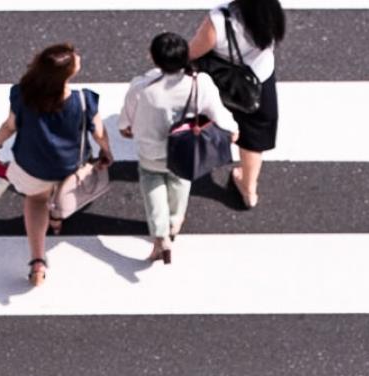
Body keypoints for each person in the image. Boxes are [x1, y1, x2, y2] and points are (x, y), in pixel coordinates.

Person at [0, 44, 114, 286]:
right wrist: (106, 152)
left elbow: (10, 125)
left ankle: (37, 260)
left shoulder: (23, 95)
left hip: (32, 164)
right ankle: (57, 216)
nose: (79, 56)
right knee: (63, 190)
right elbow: (99, 133)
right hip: (71, 164)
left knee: (36, 200)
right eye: (75, 57)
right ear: (68, 74)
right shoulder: (83, 100)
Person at [120, 32, 239, 264]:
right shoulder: (199, 83)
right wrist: (232, 130)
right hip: (185, 149)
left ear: (154, 59)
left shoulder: (142, 86)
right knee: (181, 181)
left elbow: (127, 118)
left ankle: (160, 235)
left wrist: (125, 127)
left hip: (151, 150)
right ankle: (175, 221)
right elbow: (219, 113)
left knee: (152, 182)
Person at [188, 0, 285, 209]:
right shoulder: (272, 12)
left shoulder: (219, 20)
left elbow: (193, 52)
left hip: (221, 82)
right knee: (254, 138)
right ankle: (249, 189)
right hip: (257, 81)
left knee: (206, 118)